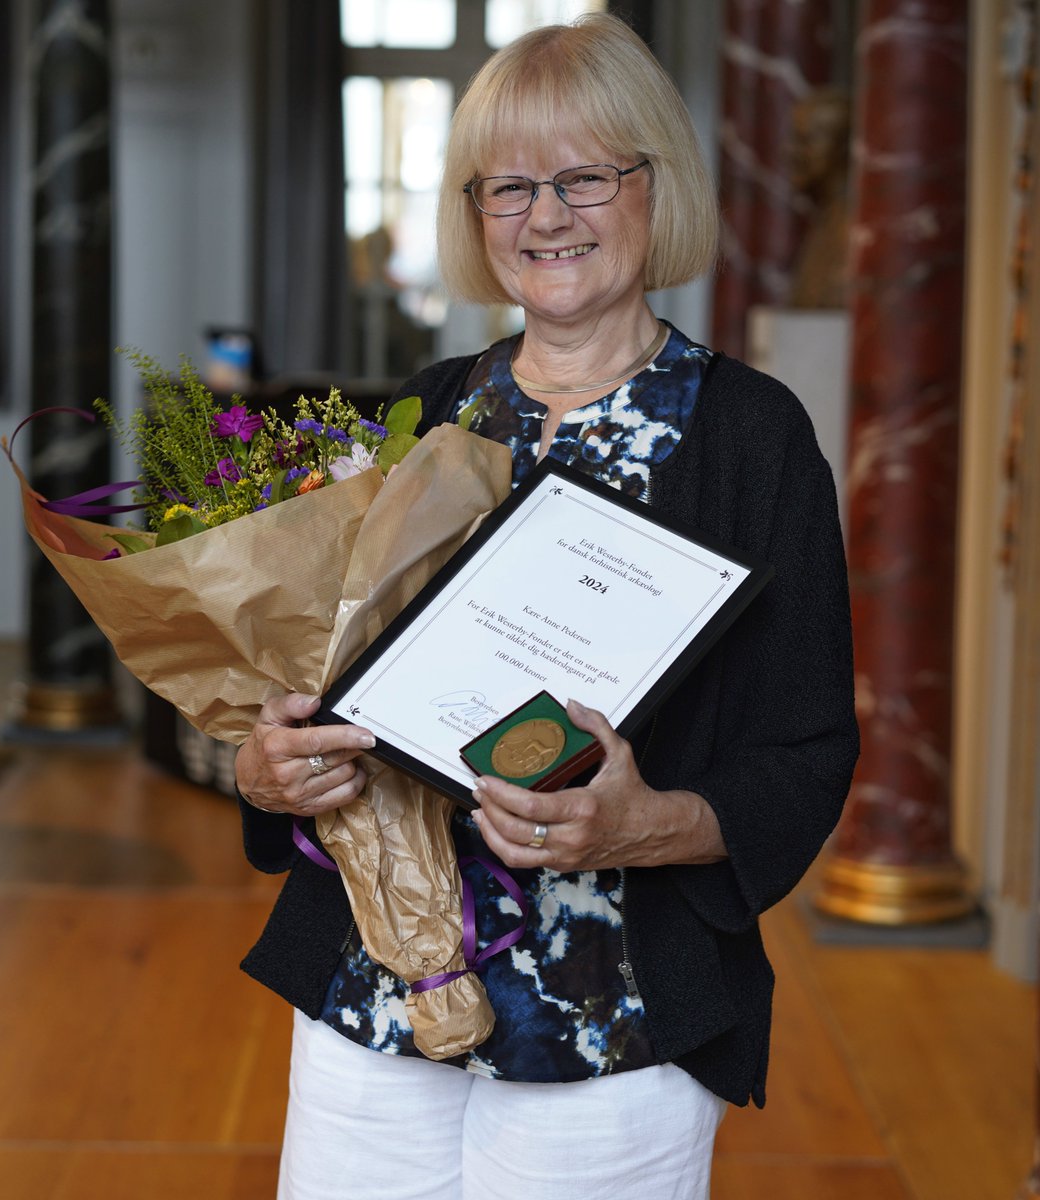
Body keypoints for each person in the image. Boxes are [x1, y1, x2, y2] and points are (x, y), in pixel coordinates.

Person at [234, 14, 858, 1200]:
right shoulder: (423, 411)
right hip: (376, 996)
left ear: (655, 187)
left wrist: (646, 825)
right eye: (508, 186)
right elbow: (319, 681)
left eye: (583, 176)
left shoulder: (751, 438)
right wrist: (272, 766)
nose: (546, 216)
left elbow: (809, 752)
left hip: (612, 1020)